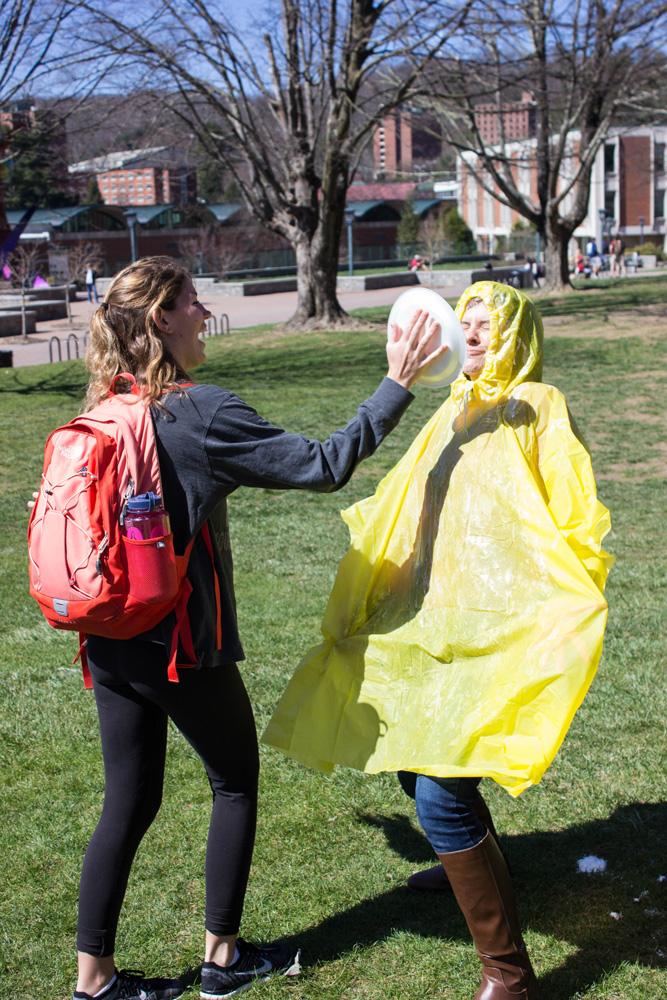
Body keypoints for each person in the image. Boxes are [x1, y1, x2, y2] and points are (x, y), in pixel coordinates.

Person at [65, 256, 444, 1000]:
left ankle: (94, 980)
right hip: (178, 646)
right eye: (192, 304)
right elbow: (324, 464)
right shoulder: (196, 412)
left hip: (107, 636)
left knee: (127, 802)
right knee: (234, 783)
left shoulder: (106, 406)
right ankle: (223, 958)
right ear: (160, 321)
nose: (205, 315)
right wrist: (396, 384)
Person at [265, 281, 612, 1000]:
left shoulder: (534, 407)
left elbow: (570, 511)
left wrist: (564, 599)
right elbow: (406, 507)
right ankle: (471, 859)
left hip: (495, 626)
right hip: (426, 619)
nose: (470, 336)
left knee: (439, 791)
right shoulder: (452, 407)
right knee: (410, 758)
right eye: (464, 325)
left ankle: (507, 973)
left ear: (513, 336)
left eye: (484, 327)